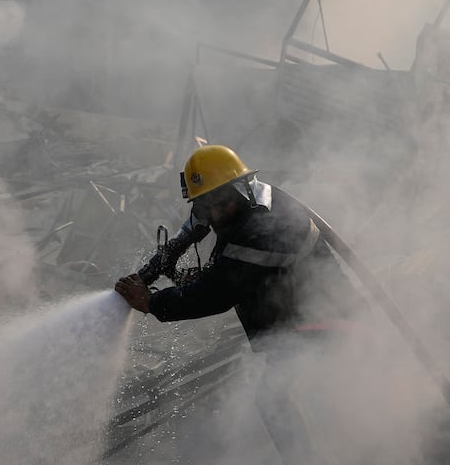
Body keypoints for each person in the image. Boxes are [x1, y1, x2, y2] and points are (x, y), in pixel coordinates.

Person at [114, 144, 327, 343]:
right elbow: (187, 232)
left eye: (222, 203)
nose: (215, 214)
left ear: (241, 188)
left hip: (314, 331)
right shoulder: (244, 197)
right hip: (287, 327)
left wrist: (150, 302)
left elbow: (214, 295)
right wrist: (152, 269)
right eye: (206, 206)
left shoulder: (265, 228)